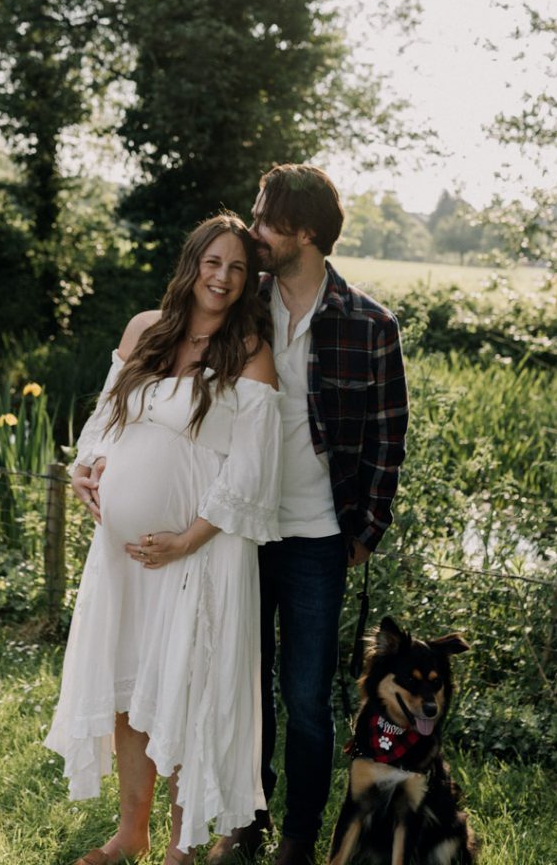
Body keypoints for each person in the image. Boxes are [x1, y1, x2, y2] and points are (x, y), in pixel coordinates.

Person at [45, 214, 283, 865]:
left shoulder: (249, 351)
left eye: (237, 268)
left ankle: (182, 846)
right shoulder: (144, 330)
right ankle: (130, 833)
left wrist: (187, 540)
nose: (223, 278)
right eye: (213, 262)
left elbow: (252, 468)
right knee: (128, 688)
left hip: (198, 556)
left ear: (248, 280)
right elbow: (101, 420)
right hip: (125, 561)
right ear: (191, 263)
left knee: (183, 690)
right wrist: (89, 467)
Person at [207, 164, 409, 865]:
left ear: (305, 234)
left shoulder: (370, 325)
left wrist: (366, 531)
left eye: (265, 221)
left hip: (319, 538)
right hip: (240, 529)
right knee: (244, 686)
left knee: (305, 698)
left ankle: (297, 835)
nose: (253, 232)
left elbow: (389, 435)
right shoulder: (239, 306)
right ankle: (247, 819)